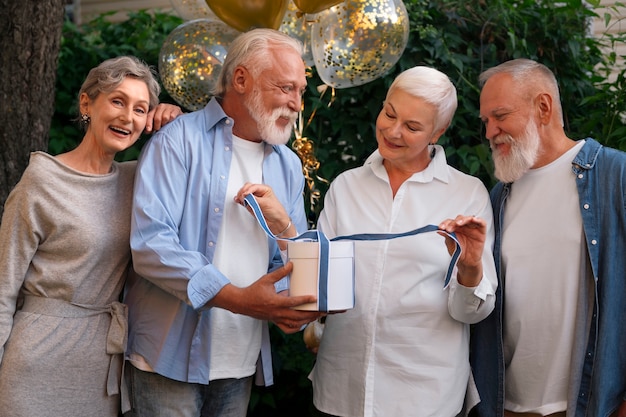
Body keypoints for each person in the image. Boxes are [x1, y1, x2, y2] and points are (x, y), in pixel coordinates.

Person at [124, 28, 324, 417]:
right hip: (167, 358)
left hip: (240, 361)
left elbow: (294, 266)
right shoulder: (177, 140)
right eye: (285, 88)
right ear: (241, 79)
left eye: (300, 90)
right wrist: (242, 300)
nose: (297, 103)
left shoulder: (288, 165)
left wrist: (286, 238)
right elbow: (151, 246)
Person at [307, 66, 498, 417]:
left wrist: (470, 266)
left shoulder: (467, 194)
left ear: (438, 132)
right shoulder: (346, 187)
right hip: (340, 389)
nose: (393, 131)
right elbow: (318, 285)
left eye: (412, 127)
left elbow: (472, 312)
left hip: (424, 397)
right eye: (389, 114)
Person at [0, 56, 181, 417]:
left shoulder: (139, 181)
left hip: (102, 366)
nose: (128, 118)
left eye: (141, 109)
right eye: (117, 101)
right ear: (87, 103)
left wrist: (176, 124)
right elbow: (2, 289)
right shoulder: (41, 181)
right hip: (36, 361)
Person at [469, 58, 626, 417]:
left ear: (543, 106)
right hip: (507, 405)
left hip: (592, 403)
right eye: (486, 122)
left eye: (501, 116)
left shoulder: (615, 177)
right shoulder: (498, 198)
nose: (491, 131)